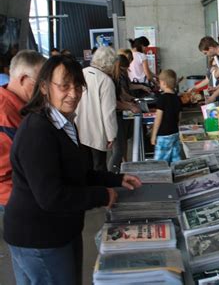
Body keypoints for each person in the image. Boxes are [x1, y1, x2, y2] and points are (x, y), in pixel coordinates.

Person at [3, 55, 141, 285]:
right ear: (45, 87)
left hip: (57, 231)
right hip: (40, 237)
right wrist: (101, 195)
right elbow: (52, 197)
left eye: (78, 86)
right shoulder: (38, 130)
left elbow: (77, 172)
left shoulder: (62, 122)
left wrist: (115, 179)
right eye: (64, 86)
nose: (73, 93)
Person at [0, 50, 46, 210]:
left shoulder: (18, 106)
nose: (44, 90)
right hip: (13, 196)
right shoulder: (5, 112)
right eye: (41, 83)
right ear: (23, 79)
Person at [75, 46, 118, 171]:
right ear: (109, 63)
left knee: (84, 169)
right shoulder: (105, 81)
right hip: (96, 133)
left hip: (77, 130)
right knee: (98, 168)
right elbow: (108, 112)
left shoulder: (81, 74)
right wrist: (111, 135)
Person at [107, 55, 142, 173]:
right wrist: (130, 106)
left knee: (120, 148)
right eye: (124, 69)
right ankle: (112, 175)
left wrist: (133, 100)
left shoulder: (115, 78)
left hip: (118, 115)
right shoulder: (111, 79)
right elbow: (114, 101)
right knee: (118, 151)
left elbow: (122, 95)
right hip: (114, 116)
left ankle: (119, 171)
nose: (125, 72)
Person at [150, 69, 181, 163]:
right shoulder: (177, 98)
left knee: (161, 162)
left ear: (163, 83)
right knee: (175, 160)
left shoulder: (162, 99)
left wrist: (153, 135)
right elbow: (179, 117)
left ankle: (162, 177)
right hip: (175, 133)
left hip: (163, 135)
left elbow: (158, 119)